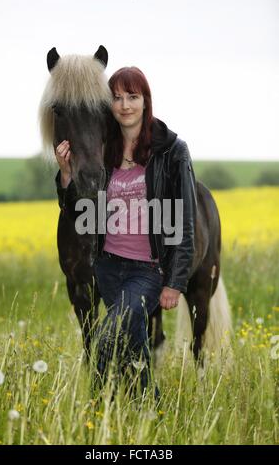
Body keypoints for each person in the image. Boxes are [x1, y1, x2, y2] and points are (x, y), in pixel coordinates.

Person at [55, 66, 197, 400]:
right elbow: (78, 212)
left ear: (146, 101)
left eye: (132, 97)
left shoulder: (173, 151)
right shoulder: (104, 150)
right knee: (136, 353)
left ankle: (97, 412)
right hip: (108, 268)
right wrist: (65, 176)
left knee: (105, 339)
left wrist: (175, 282)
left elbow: (186, 221)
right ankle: (152, 415)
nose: (124, 105)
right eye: (117, 98)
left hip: (148, 270)